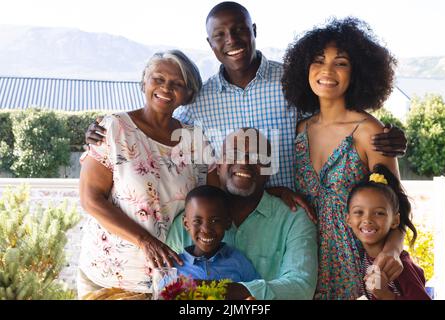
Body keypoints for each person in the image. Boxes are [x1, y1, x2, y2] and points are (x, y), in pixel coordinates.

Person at [84, 2, 407, 220]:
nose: (231, 40)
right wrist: (102, 133)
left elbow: (337, 114)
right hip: (231, 222)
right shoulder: (198, 101)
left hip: (293, 218)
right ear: (210, 43)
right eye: (220, 35)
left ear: (253, 30)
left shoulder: (293, 81)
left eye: (238, 30)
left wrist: (388, 134)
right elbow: (161, 137)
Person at [77, 50, 217, 298]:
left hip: (169, 277)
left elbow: (214, 198)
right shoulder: (113, 128)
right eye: (158, 79)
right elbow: (91, 199)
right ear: (144, 82)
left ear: (188, 95)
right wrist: (145, 241)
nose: (165, 88)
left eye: (177, 84)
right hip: (111, 275)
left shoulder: (195, 139)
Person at [282, 17, 405, 299]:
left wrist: (391, 252)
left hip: (359, 267)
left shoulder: (368, 132)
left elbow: (399, 207)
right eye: (318, 60)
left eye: (341, 62)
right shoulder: (300, 130)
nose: (327, 70)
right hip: (306, 265)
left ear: (357, 72)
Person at [166, 128, 318, 300]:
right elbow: (164, 283)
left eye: (257, 157)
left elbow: (300, 287)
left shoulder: (294, 218)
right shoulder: (184, 222)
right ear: (218, 166)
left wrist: (211, 290)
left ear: (269, 171)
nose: (244, 161)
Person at [346, 164, 431, 300]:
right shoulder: (362, 259)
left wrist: (385, 294)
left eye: (379, 213)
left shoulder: (401, 267)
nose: (367, 219)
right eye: (359, 212)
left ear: (395, 221)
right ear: (348, 219)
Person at [175, 185, 260, 283]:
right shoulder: (174, 267)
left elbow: (257, 292)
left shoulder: (239, 261)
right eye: (197, 221)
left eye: (215, 220)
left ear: (228, 222)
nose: (206, 229)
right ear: (186, 224)